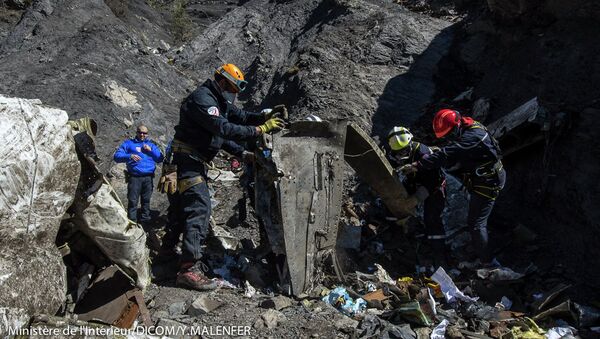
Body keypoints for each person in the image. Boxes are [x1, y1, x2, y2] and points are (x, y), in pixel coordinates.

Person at [157, 63, 287, 290]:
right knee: (198, 208)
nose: (234, 94)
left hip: (189, 161)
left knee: (179, 211)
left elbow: (240, 118)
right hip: (187, 162)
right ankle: (188, 270)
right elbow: (224, 129)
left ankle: (166, 257)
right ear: (223, 81)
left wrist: (262, 120)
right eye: (232, 89)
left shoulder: (219, 102)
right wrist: (261, 130)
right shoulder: (203, 99)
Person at [401, 109, 505, 264]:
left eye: (449, 134)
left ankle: (488, 263)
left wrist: (418, 165)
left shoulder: (473, 137)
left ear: (456, 127)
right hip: (482, 177)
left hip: (488, 183)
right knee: (480, 216)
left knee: (476, 225)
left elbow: (448, 154)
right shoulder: (470, 125)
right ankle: (491, 237)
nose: (449, 138)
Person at [387, 126, 447, 266]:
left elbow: (433, 181)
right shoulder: (392, 152)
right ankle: (396, 230)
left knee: (432, 218)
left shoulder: (424, 153)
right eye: (398, 152)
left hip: (434, 185)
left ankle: (438, 252)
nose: (401, 154)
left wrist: (416, 199)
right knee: (394, 201)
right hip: (413, 180)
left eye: (404, 150)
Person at [114, 125, 164, 226]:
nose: (142, 135)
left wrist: (151, 150)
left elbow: (160, 158)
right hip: (134, 177)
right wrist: (129, 156)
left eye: (144, 133)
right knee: (132, 201)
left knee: (146, 201)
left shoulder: (151, 145)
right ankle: (132, 223)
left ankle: (145, 224)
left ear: (147, 134)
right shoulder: (128, 144)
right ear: (136, 132)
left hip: (148, 178)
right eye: (140, 132)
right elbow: (116, 156)